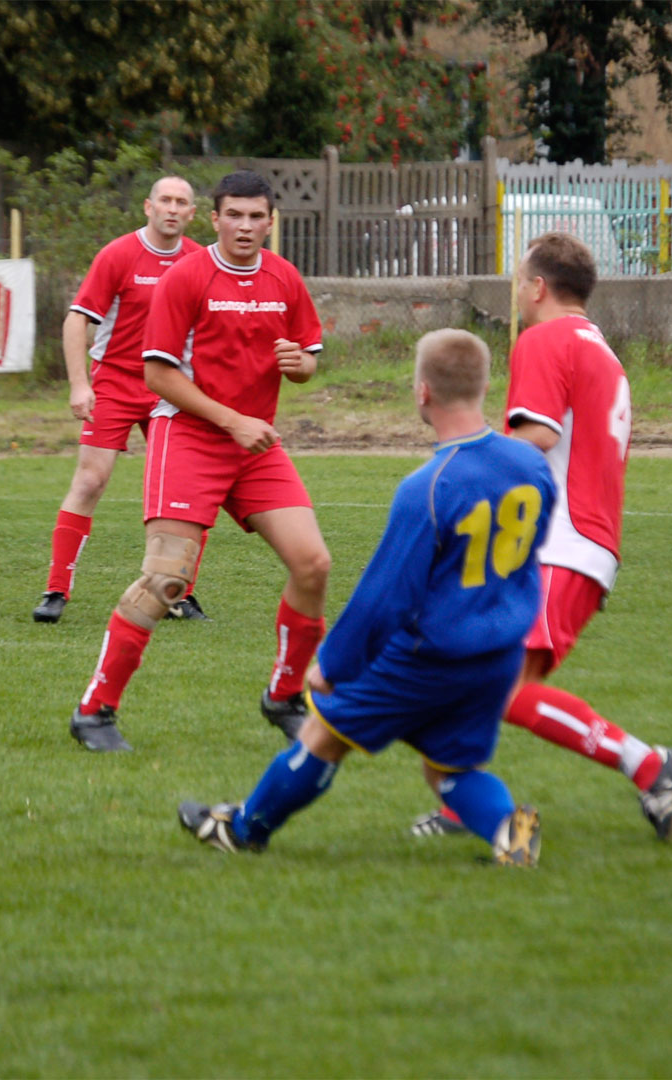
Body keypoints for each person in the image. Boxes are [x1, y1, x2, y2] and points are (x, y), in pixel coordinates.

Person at [178, 329, 556, 866]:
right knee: (449, 768)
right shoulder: (530, 465)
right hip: (498, 654)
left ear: (422, 392)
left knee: (321, 734)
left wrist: (331, 665)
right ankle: (507, 829)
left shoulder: (429, 486)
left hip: (430, 657)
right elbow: (535, 543)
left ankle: (242, 830)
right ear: (486, 384)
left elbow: (385, 598)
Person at [411, 231, 672, 844]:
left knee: (508, 689)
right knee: (475, 674)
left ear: (538, 287)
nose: (517, 295)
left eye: (518, 282)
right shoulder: (601, 349)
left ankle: (649, 764)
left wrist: (465, 476)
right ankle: (466, 806)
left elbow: (532, 440)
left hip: (559, 543)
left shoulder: (545, 339)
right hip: (582, 542)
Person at [69, 170, 330, 752]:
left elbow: (309, 358)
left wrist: (298, 365)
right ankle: (95, 711)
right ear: (215, 219)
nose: (244, 226)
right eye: (233, 215)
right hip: (189, 437)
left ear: (271, 221)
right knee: (166, 580)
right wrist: (231, 420)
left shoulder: (285, 278)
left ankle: (284, 694)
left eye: (255, 216)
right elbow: (157, 374)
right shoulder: (186, 276)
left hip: (255, 446)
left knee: (312, 564)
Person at [32, 176, 210, 625]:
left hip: (170, 386)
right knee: (91, 480)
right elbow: (77, 321)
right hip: (115, 381)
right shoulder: (118, 254)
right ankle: (56, 589)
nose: (172, 208)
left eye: (181, 203)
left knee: (184, 490)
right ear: (148, 208)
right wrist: (79, 384)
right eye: (165, 200)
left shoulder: (199, 261)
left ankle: (177, 593)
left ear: (192, 214)